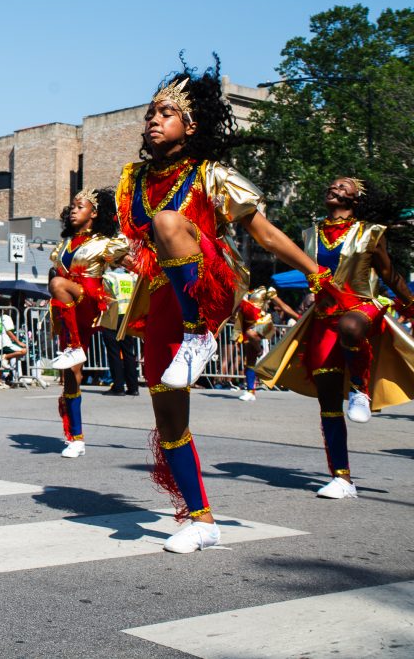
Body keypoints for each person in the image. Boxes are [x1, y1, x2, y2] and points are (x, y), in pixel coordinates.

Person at [115, 58, 336, 553]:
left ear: (190, 127)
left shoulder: (209, 173)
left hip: (212, 284)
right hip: (162, 298)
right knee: (169, 419)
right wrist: (125, 252)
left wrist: (315, 272)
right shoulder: (132, 179)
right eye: (151, 112)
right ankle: (201, 520)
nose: (154, 119)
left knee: (171, 222)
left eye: (167, 113)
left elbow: (267, 234)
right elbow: (136, 239)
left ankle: (200, 336)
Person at [256, 177, 414, 498]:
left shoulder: (371, 233)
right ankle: (342, 478)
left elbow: (389, 276)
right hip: (323, 319)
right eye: (332, 185)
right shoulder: (310, 236)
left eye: (344, 187)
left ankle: (360, 388)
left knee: (350, 329)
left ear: (356, 199)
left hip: (360, 309)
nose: (334, 188)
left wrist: (411, 304)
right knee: (327, 401)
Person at [48, 188, 128, 457]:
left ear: (93, 213)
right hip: (69, 310)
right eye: (71, 206)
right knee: (71, 375)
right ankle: (76, 439)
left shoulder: (105, 242)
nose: (73, 210)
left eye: (79, 206)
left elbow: (131, 259)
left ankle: (73, 346)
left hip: (91, 300)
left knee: (57, 282)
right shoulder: (64, 246)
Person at [232, 286, 297, 402]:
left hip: (263, 323)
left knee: (250, 334)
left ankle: (260, 350)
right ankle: (250, 391)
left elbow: (283, 307)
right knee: (250, 360)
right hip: (247, 325)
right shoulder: (241, 291)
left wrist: (299, 317)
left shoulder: (266, 290)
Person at [99, 267, 140, 396]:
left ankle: (118, 387)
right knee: (129, 353)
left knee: (114, 352)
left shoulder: (108, 278)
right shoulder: (131, 278)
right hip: (127, 316)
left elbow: (104, 299)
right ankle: (133, 387)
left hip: (113, 315)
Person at [0, 302, 26, 388]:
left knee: (0, 362)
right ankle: (6, 357)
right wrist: (18, 342)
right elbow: (9, 331)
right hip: (5, 342)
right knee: (23, 351)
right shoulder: (7, 317)